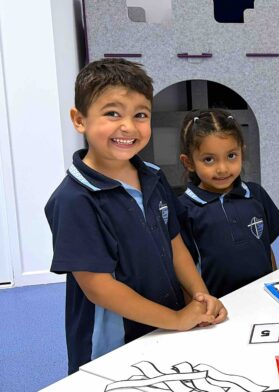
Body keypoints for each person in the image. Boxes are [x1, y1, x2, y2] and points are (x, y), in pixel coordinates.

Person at [44, 59, 227, 374]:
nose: (128, 126)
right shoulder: (74, 200)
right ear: (79, 119)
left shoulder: (153, 177)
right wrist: (176, 319)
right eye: (112, 113)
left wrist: (200, 297)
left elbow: (175, 246)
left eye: (140, 115)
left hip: (163, 326)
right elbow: (98, 287)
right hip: (111, 348)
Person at [177, 108, 279, 298]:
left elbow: (266, 249)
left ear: (241, 153)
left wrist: (276, 290)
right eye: (209, 159)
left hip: (263, 299)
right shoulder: (183, 209)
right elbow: (182, 268)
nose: (222, 168)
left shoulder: (255, 194)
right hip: (218, 308)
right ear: (188, 163)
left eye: (231, 156)